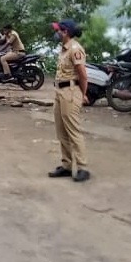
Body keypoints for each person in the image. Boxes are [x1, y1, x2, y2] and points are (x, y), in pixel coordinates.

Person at [48, 19, 91, 182]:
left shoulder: (75, 49)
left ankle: (82, 168)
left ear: (65, 32)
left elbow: (83, 75)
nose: (56, 32)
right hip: (60, 91)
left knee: (73, 131)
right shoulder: (64, 49)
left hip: (71, 92)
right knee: (61, 131)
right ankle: (66, 165)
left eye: (58, 30)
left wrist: (83, 94)